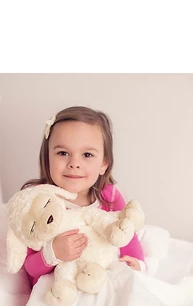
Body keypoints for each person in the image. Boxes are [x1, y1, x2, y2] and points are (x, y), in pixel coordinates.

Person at [21, 106, 145, 286]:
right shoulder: (38, 201)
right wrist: (52, 252)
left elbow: (127, 236)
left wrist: (136, 264)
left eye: (87, 155)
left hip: (101, 280)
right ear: (47, 158)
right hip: (61, 287)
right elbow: (30, 269)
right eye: (63, 153)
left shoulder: (109, 196)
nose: (74, 163)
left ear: (103, 164)